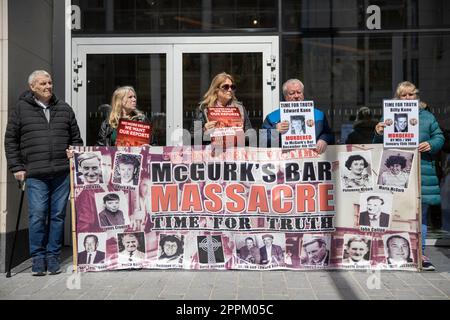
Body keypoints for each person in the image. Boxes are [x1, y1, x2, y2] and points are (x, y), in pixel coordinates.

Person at [4, 70, 83, 276]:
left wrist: (72, 150)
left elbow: (76, 139)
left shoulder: (64, 108)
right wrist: (17, 167)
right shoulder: (21, 109)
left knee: (57, 215)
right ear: (32, 87)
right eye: (43, 83)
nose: (48, 86)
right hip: (35, 173)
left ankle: (53, 256)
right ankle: (38, 258)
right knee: (38, 215)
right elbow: (10, 140)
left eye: (49, 82)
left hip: (61, 172)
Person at [374, 81, 444, 271]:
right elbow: (378, 143)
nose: (407, 98)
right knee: (396, 214)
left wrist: (431, 144)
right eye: (403, 95)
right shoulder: (388, 116)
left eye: (410, 95)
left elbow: (439, 137)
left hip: (422, 171)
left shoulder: (427, 116)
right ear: (397, 98)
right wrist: (379, 131)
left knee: (419, 217)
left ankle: (420, 255)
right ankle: (395, 254)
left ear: (416, 96)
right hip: (395, 174)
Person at [262, 79, 334, 153]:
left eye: (299, 92)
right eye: (292, 93)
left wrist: (324, 139)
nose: (296, 96)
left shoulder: (318, 115)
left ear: (303, 93)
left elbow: (329, 135)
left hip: (311, 159)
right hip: (283, 161)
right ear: (285, 96)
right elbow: (262, 141)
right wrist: (275, 130)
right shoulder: (273, 117)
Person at [192, 72, 252, 146]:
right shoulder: (203, 109)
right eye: (226, 87)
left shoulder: (240, 109)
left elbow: (250, 136)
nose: (230, 90)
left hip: (235, 153)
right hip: (212, 154)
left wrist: (241, 134)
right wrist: (204, 130)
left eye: (232, 87)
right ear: (216, 89)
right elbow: (192, 138)